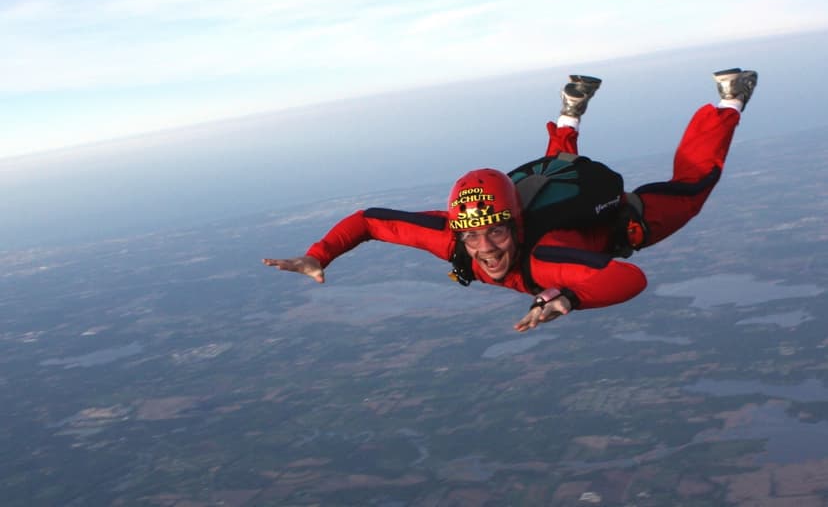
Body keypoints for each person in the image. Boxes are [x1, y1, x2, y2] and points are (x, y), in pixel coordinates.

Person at [264, 68, 758, 332]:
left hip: (624, 223)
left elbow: (629, 277)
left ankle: (731, 98)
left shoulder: (546, 258)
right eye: (473, 235)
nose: (485, 248)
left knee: (692, 186)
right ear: (458, 230)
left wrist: (567, 297)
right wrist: (319, 255)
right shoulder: (452, 236)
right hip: (550, 202)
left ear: (514, 226)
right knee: (554, 167)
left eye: (495, 231)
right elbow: (371, 220)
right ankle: (569, 113)